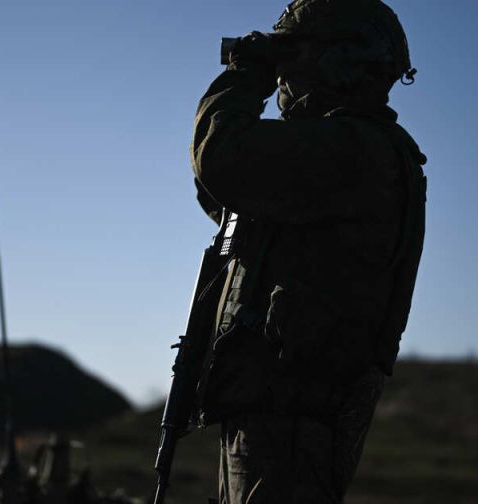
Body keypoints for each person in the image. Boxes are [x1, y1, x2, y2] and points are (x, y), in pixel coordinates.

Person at [190, 0, 427, 502]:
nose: (284, 72)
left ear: (342, 59)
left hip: (293, 416)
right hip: (277, 407)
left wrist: (244, 78)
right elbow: (233, 196)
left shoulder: (354, 148)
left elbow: (224, 160)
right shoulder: (345, 150)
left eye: (295, 52)